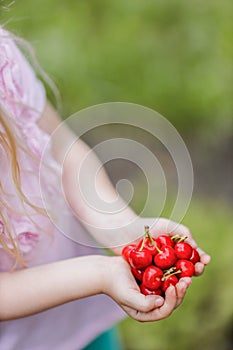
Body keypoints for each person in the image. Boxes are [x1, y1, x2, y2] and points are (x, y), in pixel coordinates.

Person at [0, 26, 210, 350]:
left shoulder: (4, 63)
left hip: (85, 318)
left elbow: (64, 153)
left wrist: (121, 228)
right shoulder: (96, 277)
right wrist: (96, 275)